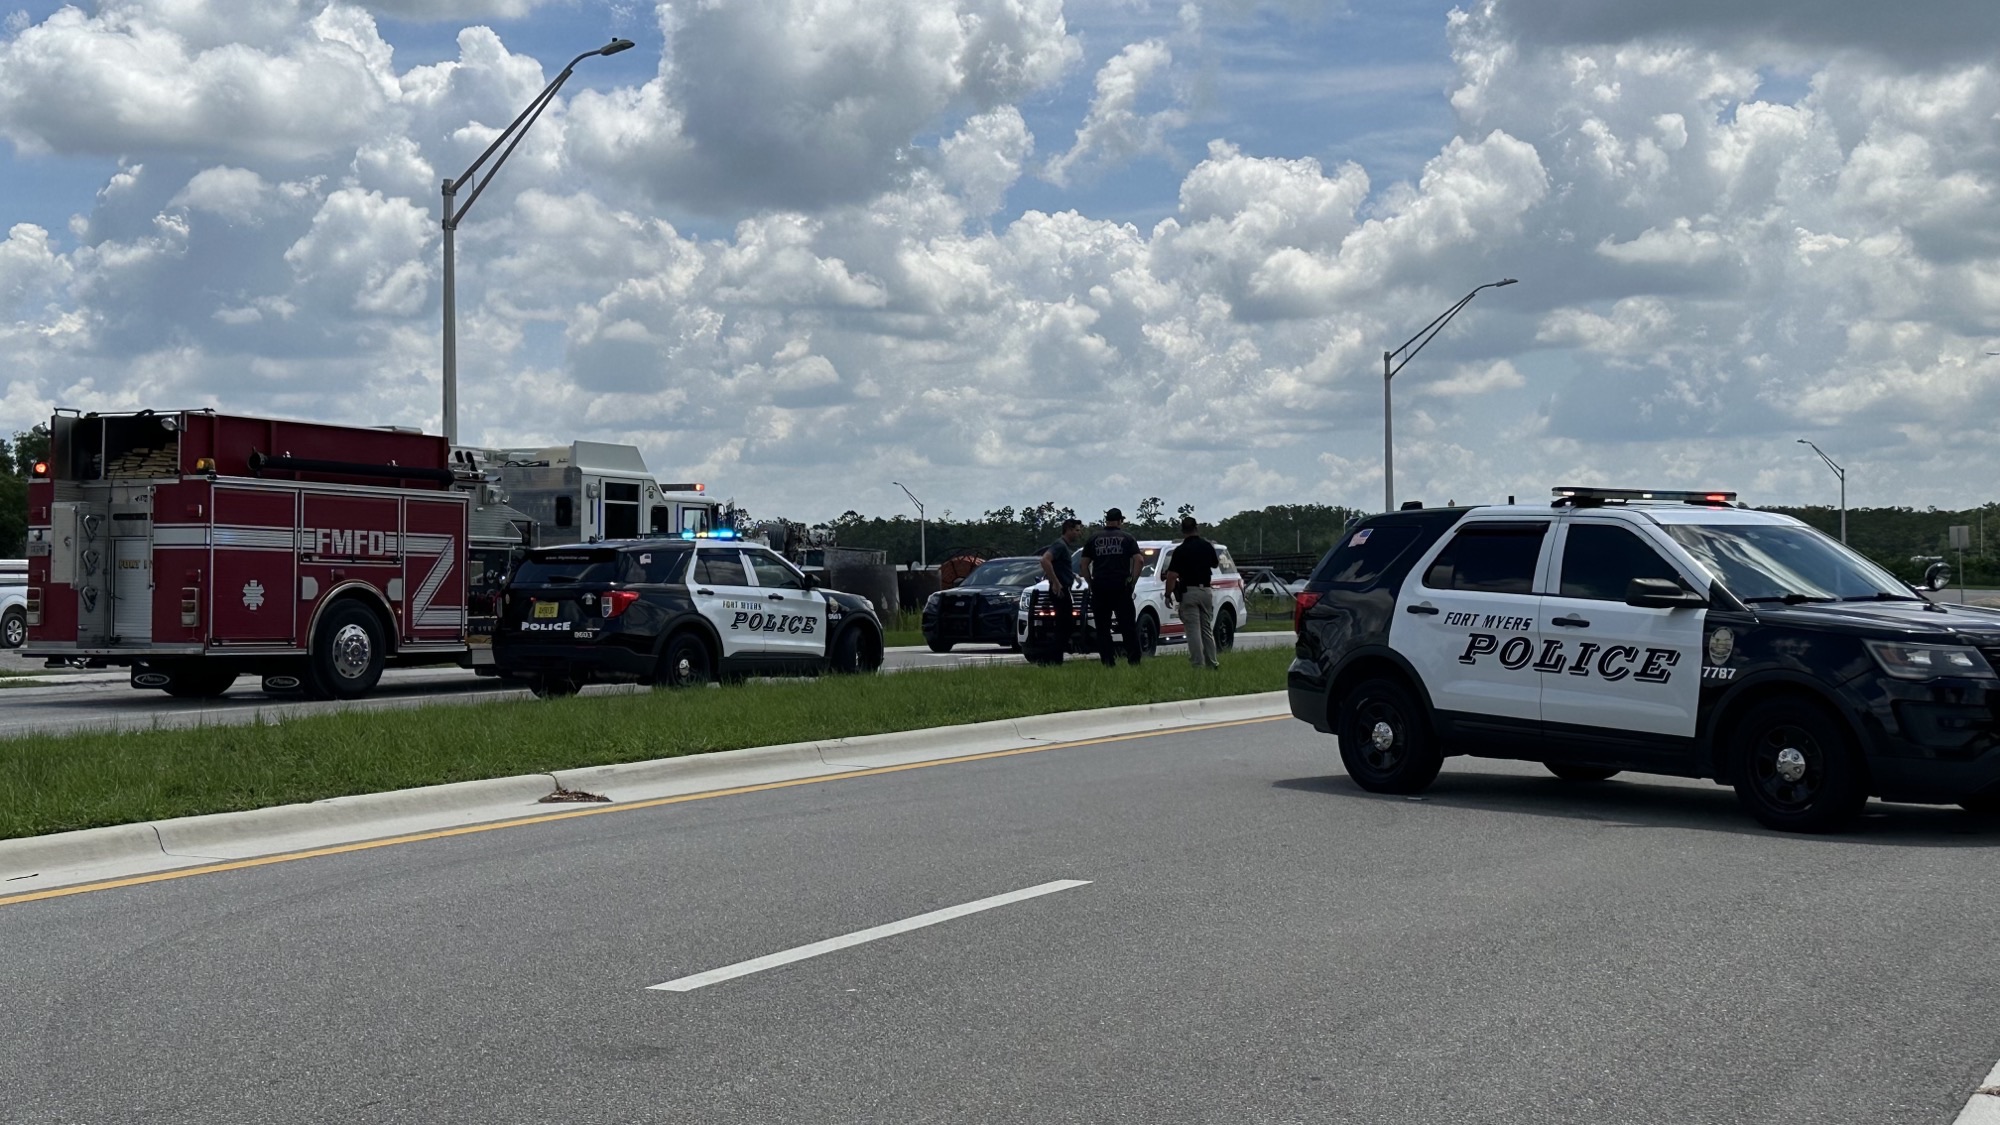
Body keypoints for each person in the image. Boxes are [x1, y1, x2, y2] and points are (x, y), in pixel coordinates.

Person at [1080, 507, 1144, 666]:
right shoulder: (1127, 538)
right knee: (1127, 626)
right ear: (1120, 521)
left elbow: (1083, 564)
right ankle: (1134, 660)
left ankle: (1108, 662)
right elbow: (1139, 560)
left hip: (1100, 586)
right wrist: (1132, 581)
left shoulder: (1094, 539)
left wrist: (1090, 582)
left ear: (1106, 520)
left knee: (1103, 628)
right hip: (1121, 586)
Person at [1160, 515, 1220, 669]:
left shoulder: (1180, 550)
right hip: (1206, 590)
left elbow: (1172, 576)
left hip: (1189, 592)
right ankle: (1212, 663)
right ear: (1196, 528)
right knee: (1206, 629)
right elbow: (1214, 564)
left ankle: (1197, 664)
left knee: (1193, 630)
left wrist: (1168, 594)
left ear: (1182, 530)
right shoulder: (1207, 546)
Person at [1034, 518, 1085, 661]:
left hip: (1064, 587)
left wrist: (1074, 576)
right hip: (1059, 590)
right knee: (1064, 625)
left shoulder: (1064, 547)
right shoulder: (1059, 545)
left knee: (1065, 624)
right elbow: (1045, 560)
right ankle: (1051, 658)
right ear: (1068, 529)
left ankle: (1055, 657)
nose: (1078, 534)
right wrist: (1056, 582)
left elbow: (1060, 567)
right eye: (1076, 530)